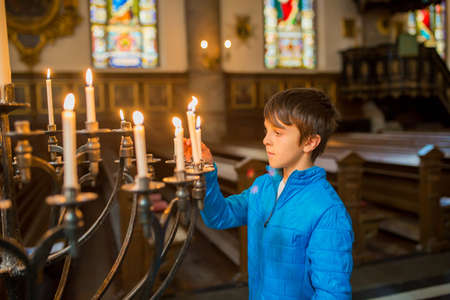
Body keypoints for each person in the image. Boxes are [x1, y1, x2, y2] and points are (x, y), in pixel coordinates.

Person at [185, 88, 354, 299]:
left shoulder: (327, 211)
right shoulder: (264, 186)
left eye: (278, 132)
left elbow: (332, 294)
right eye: (266, 130)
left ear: (310, 142)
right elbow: (219, 216)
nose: (266, 140)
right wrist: (206, 171)